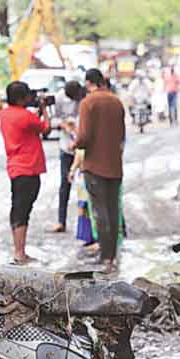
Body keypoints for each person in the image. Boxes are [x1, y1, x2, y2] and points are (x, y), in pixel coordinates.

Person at [73, 68, 126, 274]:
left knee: (100, 211)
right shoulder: (116, 102)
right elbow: (121, 135)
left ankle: (105, 257)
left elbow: (84, 137)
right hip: (115, 165)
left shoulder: (88, 103)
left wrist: (74, 144)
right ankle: (111, 255)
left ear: (88, 83)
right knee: (113, 211)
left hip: (95, 165)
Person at [0, 81, 50, 265]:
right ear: (22, 97)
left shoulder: (5, 114)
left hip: (15, 167)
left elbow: (26, 126)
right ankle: (19, 252)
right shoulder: (26, 116)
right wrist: (44, 110)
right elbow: (46, 128)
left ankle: (19, 249)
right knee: (23, 210)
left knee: (18, 208)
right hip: (29, 167)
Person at [51, 80, 83, 233]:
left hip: (83, 146)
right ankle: (61, 221)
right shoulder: (59, 98)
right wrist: (63, 125)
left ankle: (90, 224)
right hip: (67, 146)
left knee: (89, 185)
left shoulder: (85, 99)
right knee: (65, 184)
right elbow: (54, 119)